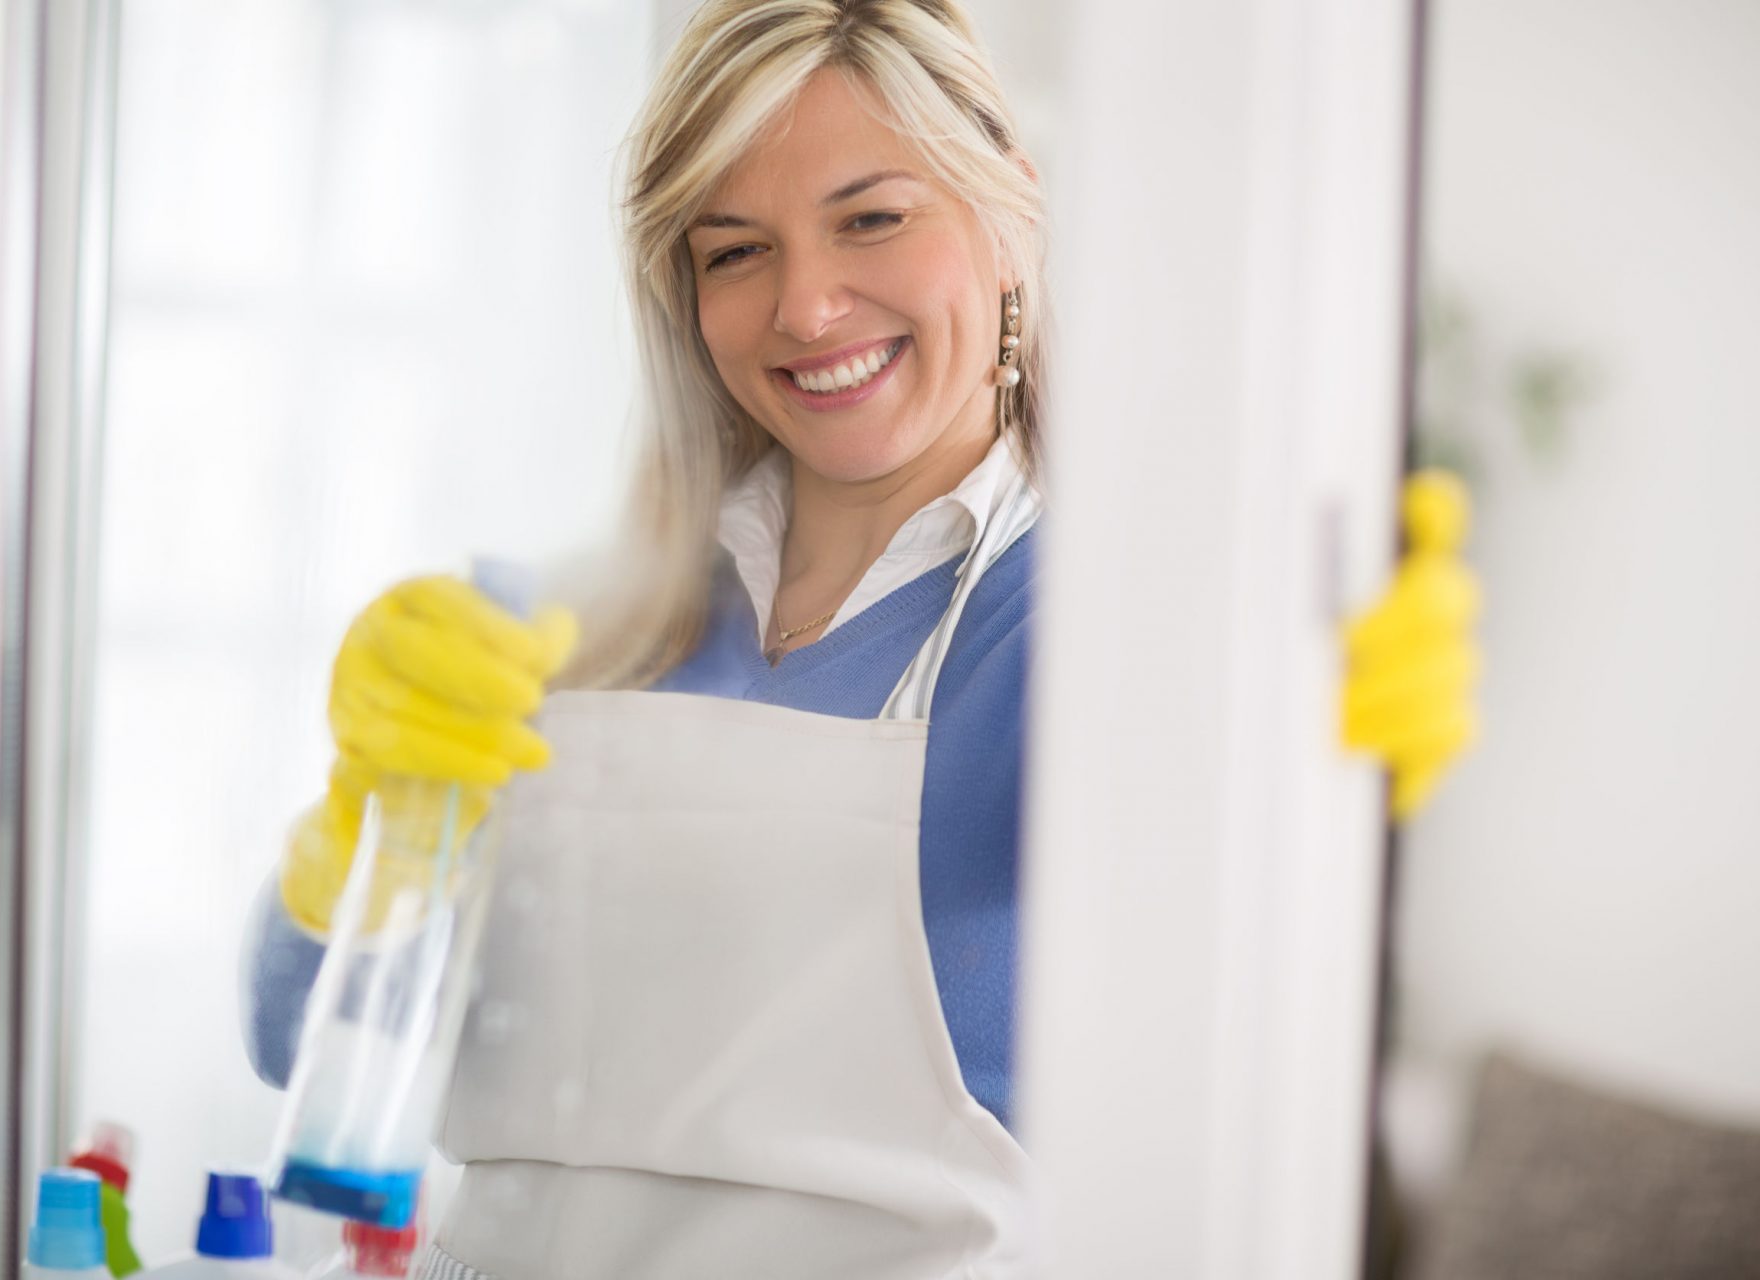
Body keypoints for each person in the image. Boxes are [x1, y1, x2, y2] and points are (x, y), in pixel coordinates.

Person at [244, 2, 1479, 1276]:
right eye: (734, 251)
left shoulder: (1087, 636)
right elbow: (298, 1042)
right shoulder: (564, 626)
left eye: (872, 217)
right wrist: (358, 829)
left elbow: (1238, 1000)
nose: (806, 305)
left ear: (1012, 212)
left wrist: (1314, 770)